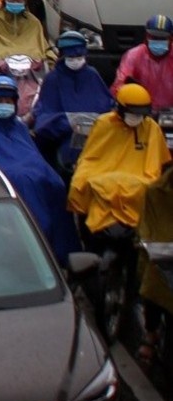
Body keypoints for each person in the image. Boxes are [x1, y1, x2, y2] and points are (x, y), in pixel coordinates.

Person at [0, 75, 80, 261]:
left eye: (8, 101)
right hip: (5, 179)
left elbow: (32, 155)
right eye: (0, 101)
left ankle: (60, 252)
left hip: (33, 173)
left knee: (57, 185)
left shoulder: (20, 128)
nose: (5, 105)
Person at [69, 82, 171, 235]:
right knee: (85, 183)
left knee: (146, 189)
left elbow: (157, 164)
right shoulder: (104, 124)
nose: (137, 118)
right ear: (121, 109)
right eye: (133, 114)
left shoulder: (151, 127)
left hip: (140, 177)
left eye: (140, 115)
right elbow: (91, 157)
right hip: (102, 173)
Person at [35, 30, 114, 171]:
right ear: (63, 56)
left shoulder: (92, 75)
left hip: (95, 140)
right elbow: (43, 119)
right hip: (64, 140)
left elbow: (107, 108)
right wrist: (69, 122)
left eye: (79, 56)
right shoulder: (53, 79)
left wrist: (94, 123)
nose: (76, 60)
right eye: (71, 57)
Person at [114, 12, 173, 109]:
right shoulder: (134, 55)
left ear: (171, 38)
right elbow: (121, 83)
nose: (158, 40)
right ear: (147, 36)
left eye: (162, 38)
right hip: (141, 110)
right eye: (154, 37)